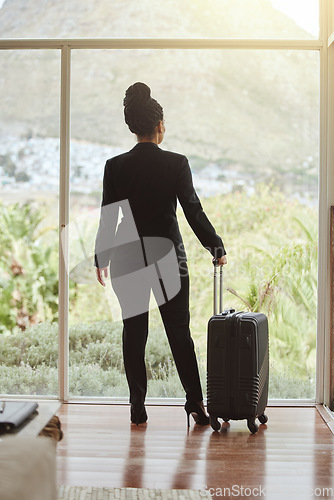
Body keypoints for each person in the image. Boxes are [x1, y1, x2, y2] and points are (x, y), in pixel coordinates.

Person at [95, 82, 227, 426]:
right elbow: (192, 212)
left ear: (133, 127)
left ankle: (137, 408)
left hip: (127, 257)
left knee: (134, 332)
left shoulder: (115, 165)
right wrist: (216, 247)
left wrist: (101, 258)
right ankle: (195, 403)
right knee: (179, 331)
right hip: (169, 257)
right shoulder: (176, 163)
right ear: (159, 126)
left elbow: (109, 217)